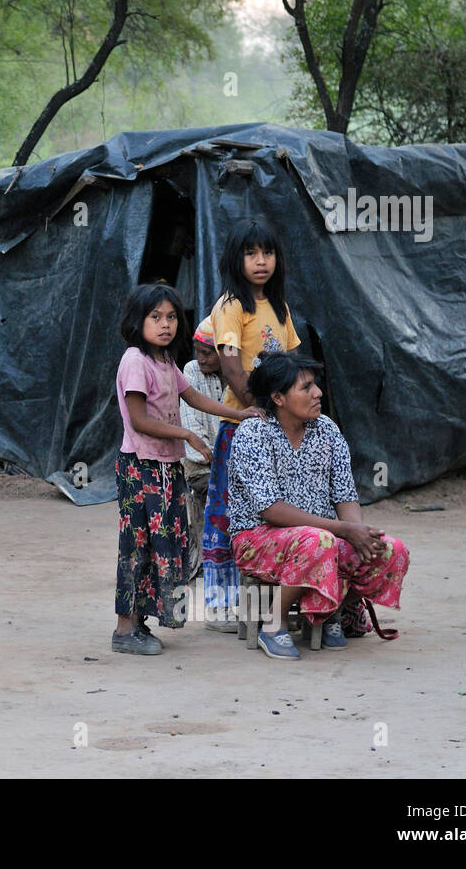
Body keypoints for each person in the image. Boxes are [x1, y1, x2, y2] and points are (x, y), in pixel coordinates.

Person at [227, 353, 410, 660]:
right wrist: (342, 529)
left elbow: (345, 494)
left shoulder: (326, 429)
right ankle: (273, 624)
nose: (318, 393)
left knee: (390, 551)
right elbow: (270, 509)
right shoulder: (252, 434)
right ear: (278, 398)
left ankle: (334, 612)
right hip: (257, 538)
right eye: (306, 387)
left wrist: (358, 532)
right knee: (318, 541)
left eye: (316, 385)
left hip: (320, 537)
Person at [111, 284, 261, 656]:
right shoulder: (135, 361)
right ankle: (124, 629)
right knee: (137, 548)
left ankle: (140, 624)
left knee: (164, 547)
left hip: (165, 469)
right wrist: (188, 435)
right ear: (137, 321)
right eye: (156, 317)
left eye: (172, 317)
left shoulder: (165, 362)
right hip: (140, 470)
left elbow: (192, 397)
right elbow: (140, 420)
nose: (165, 325)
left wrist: (239, 412)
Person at [201, 221, 301, 631]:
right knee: (230, 514)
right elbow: (229, 365)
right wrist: (259, 409)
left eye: (268, 253)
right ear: (235, 259)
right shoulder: (230, 305)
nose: (261, 262)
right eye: (251, 253)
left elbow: (294, 361)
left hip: (280, 424)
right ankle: (221, 607)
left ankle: (275, 600)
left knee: (277, 512)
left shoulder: (280, 308)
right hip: (241, 426)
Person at [178, 317, 224, 595]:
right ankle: (211, 562)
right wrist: (220, 460)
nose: (201, 358)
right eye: (198, 351)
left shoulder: (238, 375)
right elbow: (193, 430)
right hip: (201, 467)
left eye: (208, 352)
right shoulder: (191, 371)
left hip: (228, 467)